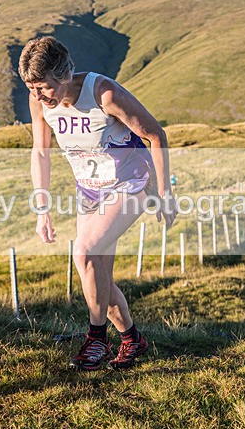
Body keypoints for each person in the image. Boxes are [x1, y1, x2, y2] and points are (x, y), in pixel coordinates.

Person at [20, 36, 176, 371]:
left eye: (43, 87)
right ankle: (132, 340)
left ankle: (96, 339)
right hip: (90, 189)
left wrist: (165, 194)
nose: (37, 96)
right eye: (31, 88)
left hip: (132, 181)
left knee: (84, 252)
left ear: (63, 75)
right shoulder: (39, 102)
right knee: (96, 271)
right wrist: (42, 209)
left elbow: (156, 135)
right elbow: (40, 152)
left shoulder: (103, 93)